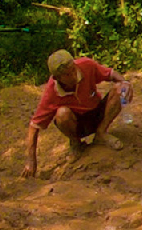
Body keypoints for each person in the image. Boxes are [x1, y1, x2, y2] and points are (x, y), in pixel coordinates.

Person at [23, 49, 126, 177]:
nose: (73, 75)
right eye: (67, 74)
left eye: (73, 70)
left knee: (119, 89)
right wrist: (31, 160)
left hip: (97, 113)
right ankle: (76, 143)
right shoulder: (51, 92)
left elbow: (111, 74)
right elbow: (34, 126)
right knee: (62, 114)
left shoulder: (86, 65)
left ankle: (101, 133)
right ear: (57, 78)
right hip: (77, 125)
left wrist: (125, 83)